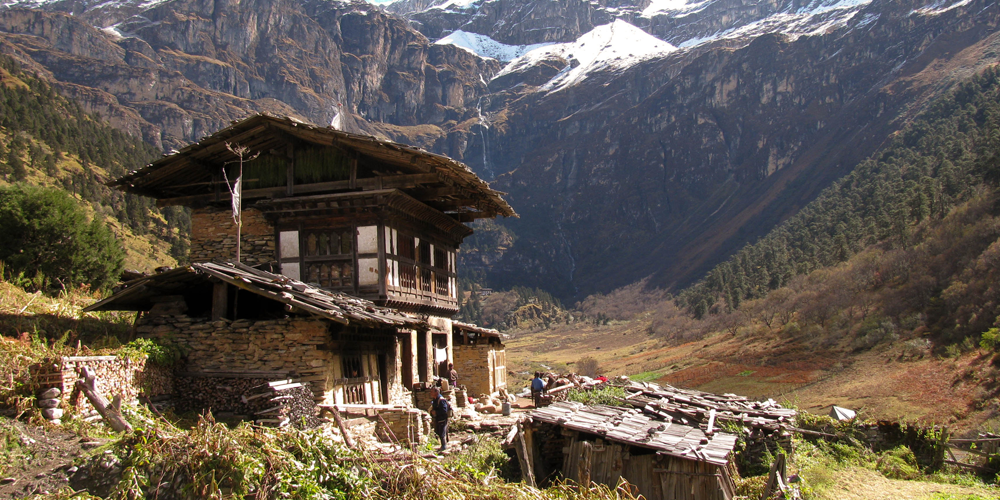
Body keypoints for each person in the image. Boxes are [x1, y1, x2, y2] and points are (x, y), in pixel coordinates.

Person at [429, 386, 450, 452]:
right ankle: (445, 443)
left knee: (442, 432)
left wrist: (436, 412)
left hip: (442, 418)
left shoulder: (441, 400)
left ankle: (444, 446)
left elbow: (444, 410)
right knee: (438, 431)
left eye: (432, 391)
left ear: (436, 392)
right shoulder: (435, 400)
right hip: (438, 418)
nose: (430, 393)